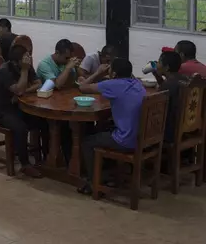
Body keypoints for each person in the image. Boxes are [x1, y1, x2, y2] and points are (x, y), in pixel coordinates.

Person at [78, 58, 147, 195]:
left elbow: (82, 87)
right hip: (142, 138)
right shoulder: (138, 83)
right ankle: (107, 174)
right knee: (103, 129)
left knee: (87, 141)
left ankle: (94, 182)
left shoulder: (113, 84)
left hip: (125, 140)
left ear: (114, 73)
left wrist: (97, 73)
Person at [0, 44, 46, 177]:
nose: (29, 58)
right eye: (26, 57)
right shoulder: (5, 70)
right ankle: (25, 164)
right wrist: (24, 72)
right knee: (21, 128)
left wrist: (22, 92)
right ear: (17, 60)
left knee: (44, 121)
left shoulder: (26, 66)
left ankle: (45, 157)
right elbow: (18, 89)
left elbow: (38, 83)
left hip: (19, 106)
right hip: (3, 110)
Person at [151, 51, 189, 142]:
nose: (157, 65)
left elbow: (156, 108)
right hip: (186, 128)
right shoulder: (185, 79)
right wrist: (157, 76)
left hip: (170, 133)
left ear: (167, 67)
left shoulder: (167, 86)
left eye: (159, 62)